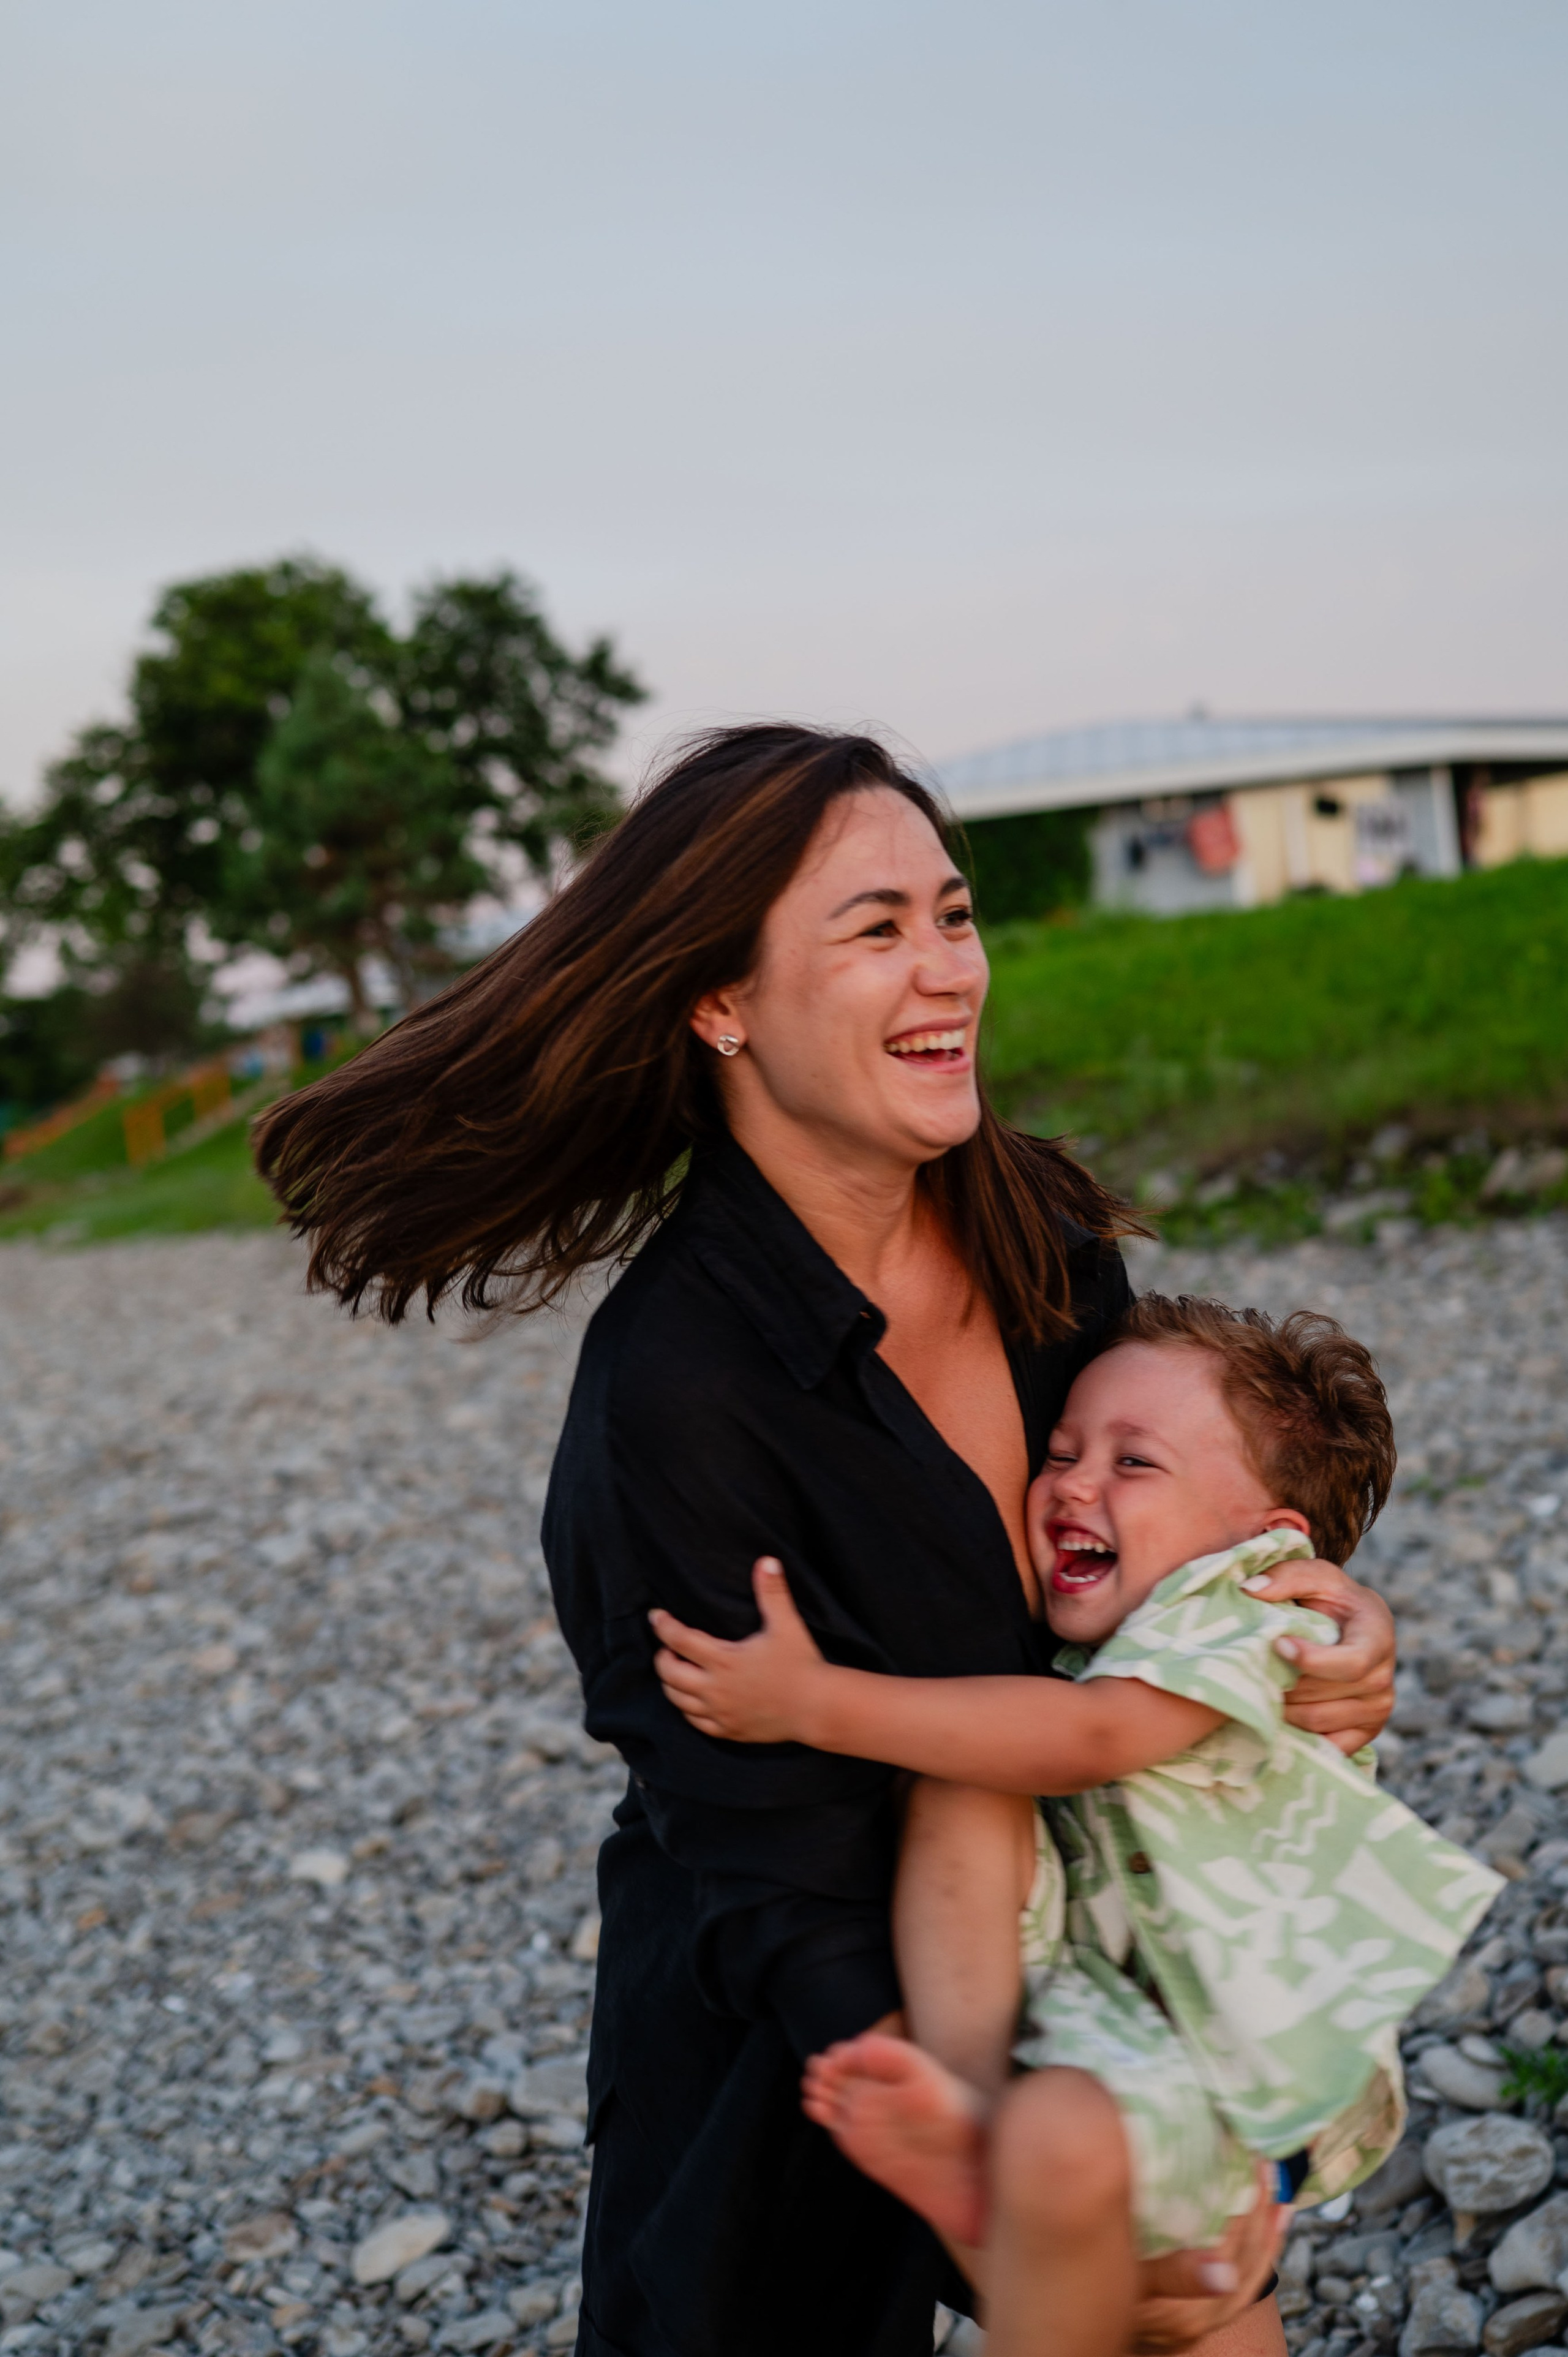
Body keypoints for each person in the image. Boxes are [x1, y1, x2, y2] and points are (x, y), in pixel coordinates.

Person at [253, 724, 1399, 2357]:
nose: (948, 971)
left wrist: (1334, 1643)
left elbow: (1172, 1554)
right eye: (877, 930)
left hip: (1105, 1977)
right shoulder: (677, 1392)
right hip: (803, 2051)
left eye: (954, 913)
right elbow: (760, 1869)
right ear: (720, 1004)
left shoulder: (1044, 1237)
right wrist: (976, 2183)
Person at [652, 1294, 1501, 2357]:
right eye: (1059, 1451)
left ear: (1267, 1538)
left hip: (1229, 2069)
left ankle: (983, 2140)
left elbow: (1090, 1737)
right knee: (1187, 2296)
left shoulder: (1253, 1611)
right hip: (1144, 2039)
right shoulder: (1144, 1626)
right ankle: (983, 2133)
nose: (1072, 1484)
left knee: (1078, 2160)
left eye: (1134, 1463)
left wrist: (813, 1703)